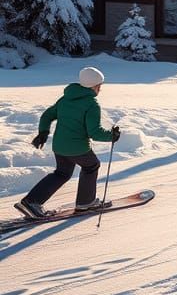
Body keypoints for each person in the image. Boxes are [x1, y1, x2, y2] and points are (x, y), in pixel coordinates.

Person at [15, 67, 121, 219]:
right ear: (94, 86)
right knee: (91, 166)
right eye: (99, 86)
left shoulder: (65, 99)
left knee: (62, 173)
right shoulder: (91, 104)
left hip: (59, 146)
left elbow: (47, 115)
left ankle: (31, 202)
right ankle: (86, 202)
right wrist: (112, 136)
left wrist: (43, 132)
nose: (100, 89)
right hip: (77, 147)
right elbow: (94, 132)